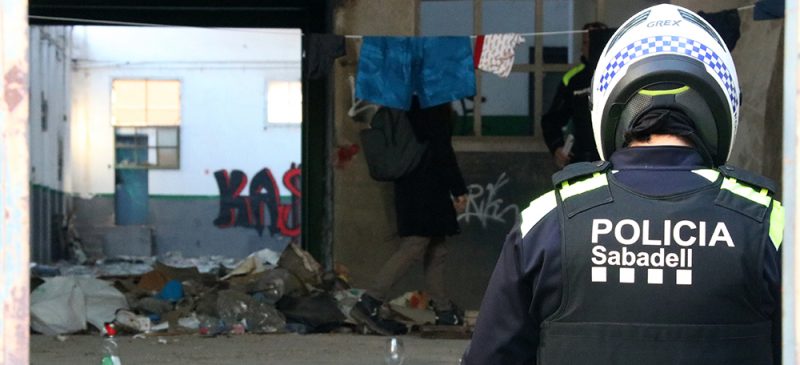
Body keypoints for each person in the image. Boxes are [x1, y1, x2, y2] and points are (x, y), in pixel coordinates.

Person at [464, 4, 782, 364]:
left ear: (608, 100)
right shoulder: (771, 225)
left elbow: (489, 357)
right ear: (722, 101)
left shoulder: (545, 221)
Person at [351, 98, 469, 335]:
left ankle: (445, 311)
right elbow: (442, 150)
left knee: (436, 249)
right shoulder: (432, 106)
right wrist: (458, 189)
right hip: (427, 187)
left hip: (412, 185)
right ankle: (369, 302)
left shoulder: (408, 103)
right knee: (415, 246)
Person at [541, 22, 608, 168]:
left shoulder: (619, 73)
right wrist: (557, 147)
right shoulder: (573, 79)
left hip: (614, 159)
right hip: (583, 161)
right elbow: (551, 120)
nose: (589, 47)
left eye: (595, 42)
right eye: (585, 43)